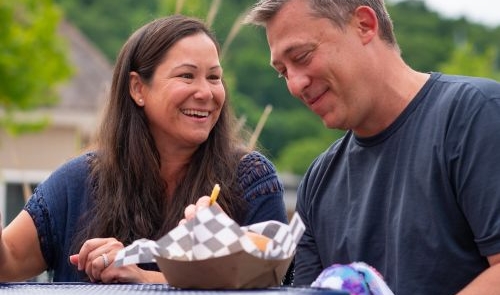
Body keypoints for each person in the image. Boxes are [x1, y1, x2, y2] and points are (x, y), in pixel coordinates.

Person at [0, 15, 288, 283]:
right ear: (138, 89)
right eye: (187, 76)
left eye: (214, 77)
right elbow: (9, 259)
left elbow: (271, 285)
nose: (206, 93)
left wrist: (141, 277)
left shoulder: (251, 179)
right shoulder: (79, 181)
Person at [244, 0, 500, 294]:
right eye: (283, 72)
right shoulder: (318, 182)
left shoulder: (475, 116)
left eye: (301, 56)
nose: (294, 85)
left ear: (364, 25)